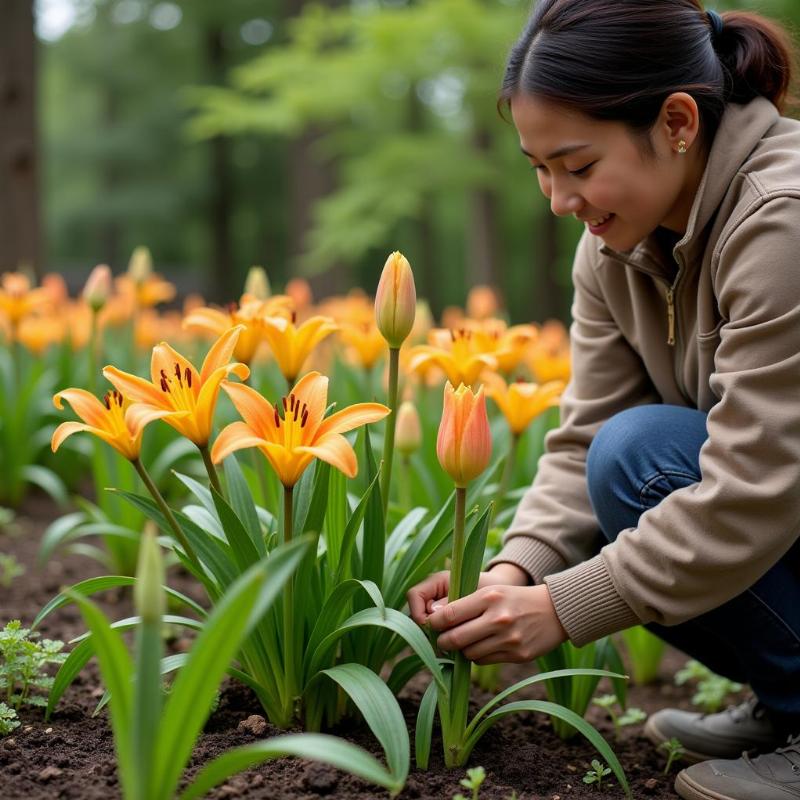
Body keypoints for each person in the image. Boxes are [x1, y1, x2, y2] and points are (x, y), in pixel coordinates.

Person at [406, 2, 800, 798]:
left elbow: (760, 484)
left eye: (578, 166)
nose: (557, 199)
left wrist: (564, 607)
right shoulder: (616, 246)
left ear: (679, 122)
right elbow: (583, 438)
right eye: (539, 168)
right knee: (622, 457)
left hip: (774, 496)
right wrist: (516, 571)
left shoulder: (782, 222)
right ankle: (789, 706)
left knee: (645, 457)